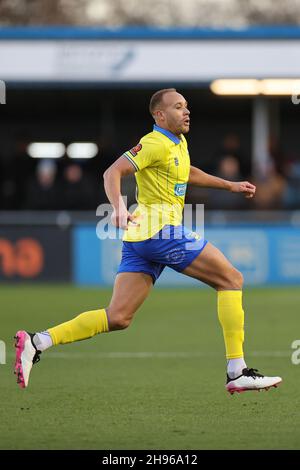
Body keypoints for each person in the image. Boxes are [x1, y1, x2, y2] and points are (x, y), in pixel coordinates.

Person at [14, 88, 282, 394]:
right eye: (179, 107)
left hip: (142, 238)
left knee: (118, 317)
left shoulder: (177, 141)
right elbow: (112, 172)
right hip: (161, 231)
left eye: (187, 107)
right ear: (160, 115)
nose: (187, 112)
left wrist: (229, 185)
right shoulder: (153, 142)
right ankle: (237, 371)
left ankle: (38, 341)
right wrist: (117, 206)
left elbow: (186, 172)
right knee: (231, 279)